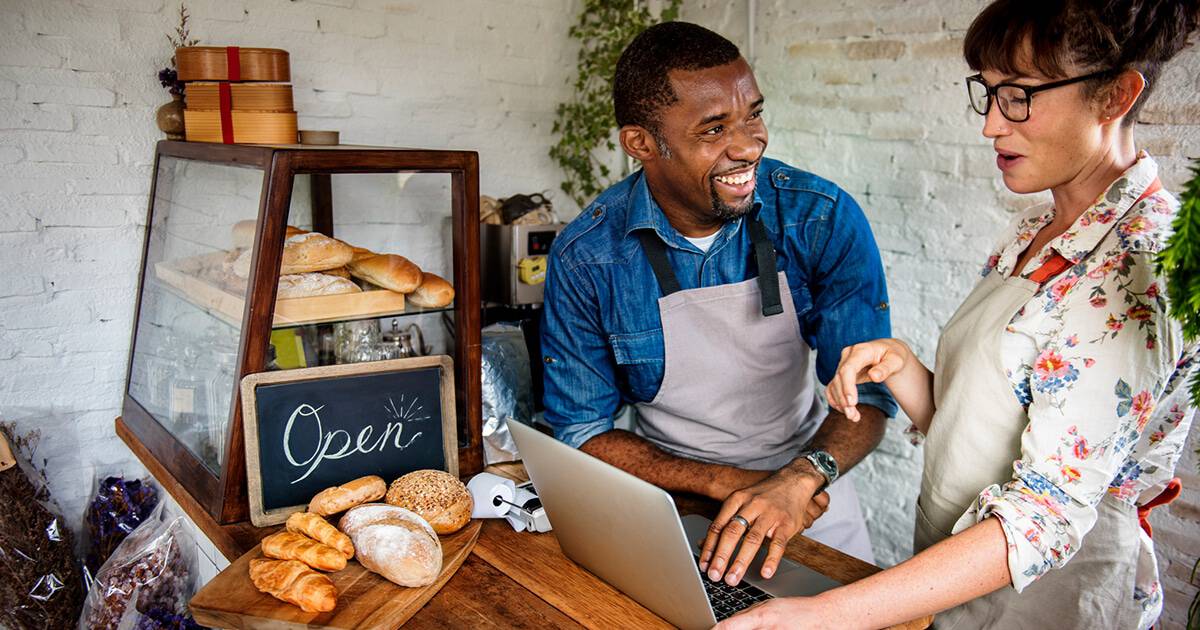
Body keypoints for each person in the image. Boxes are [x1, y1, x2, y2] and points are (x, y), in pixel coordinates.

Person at [718, 1, 1200, 628]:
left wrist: (821, 615)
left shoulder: (1134, 267)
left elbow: (1045, 511)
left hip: (1051, 600)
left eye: (1020, 96)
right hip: (957, 576)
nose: (991, 126)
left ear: (1115, 96)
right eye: (990, 94)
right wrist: (903, 367)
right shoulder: (1037, 228)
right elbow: (982, 427)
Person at [539, 21, 899, 579]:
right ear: (641, 144)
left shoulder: (818, 216)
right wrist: (723, 482)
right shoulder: (587, 256)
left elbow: (869, 397)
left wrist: (800, 477)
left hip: (810, 500)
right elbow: (583, 432)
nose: (748, 145)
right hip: (672, 502)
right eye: (713, 130)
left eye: (752, 114)